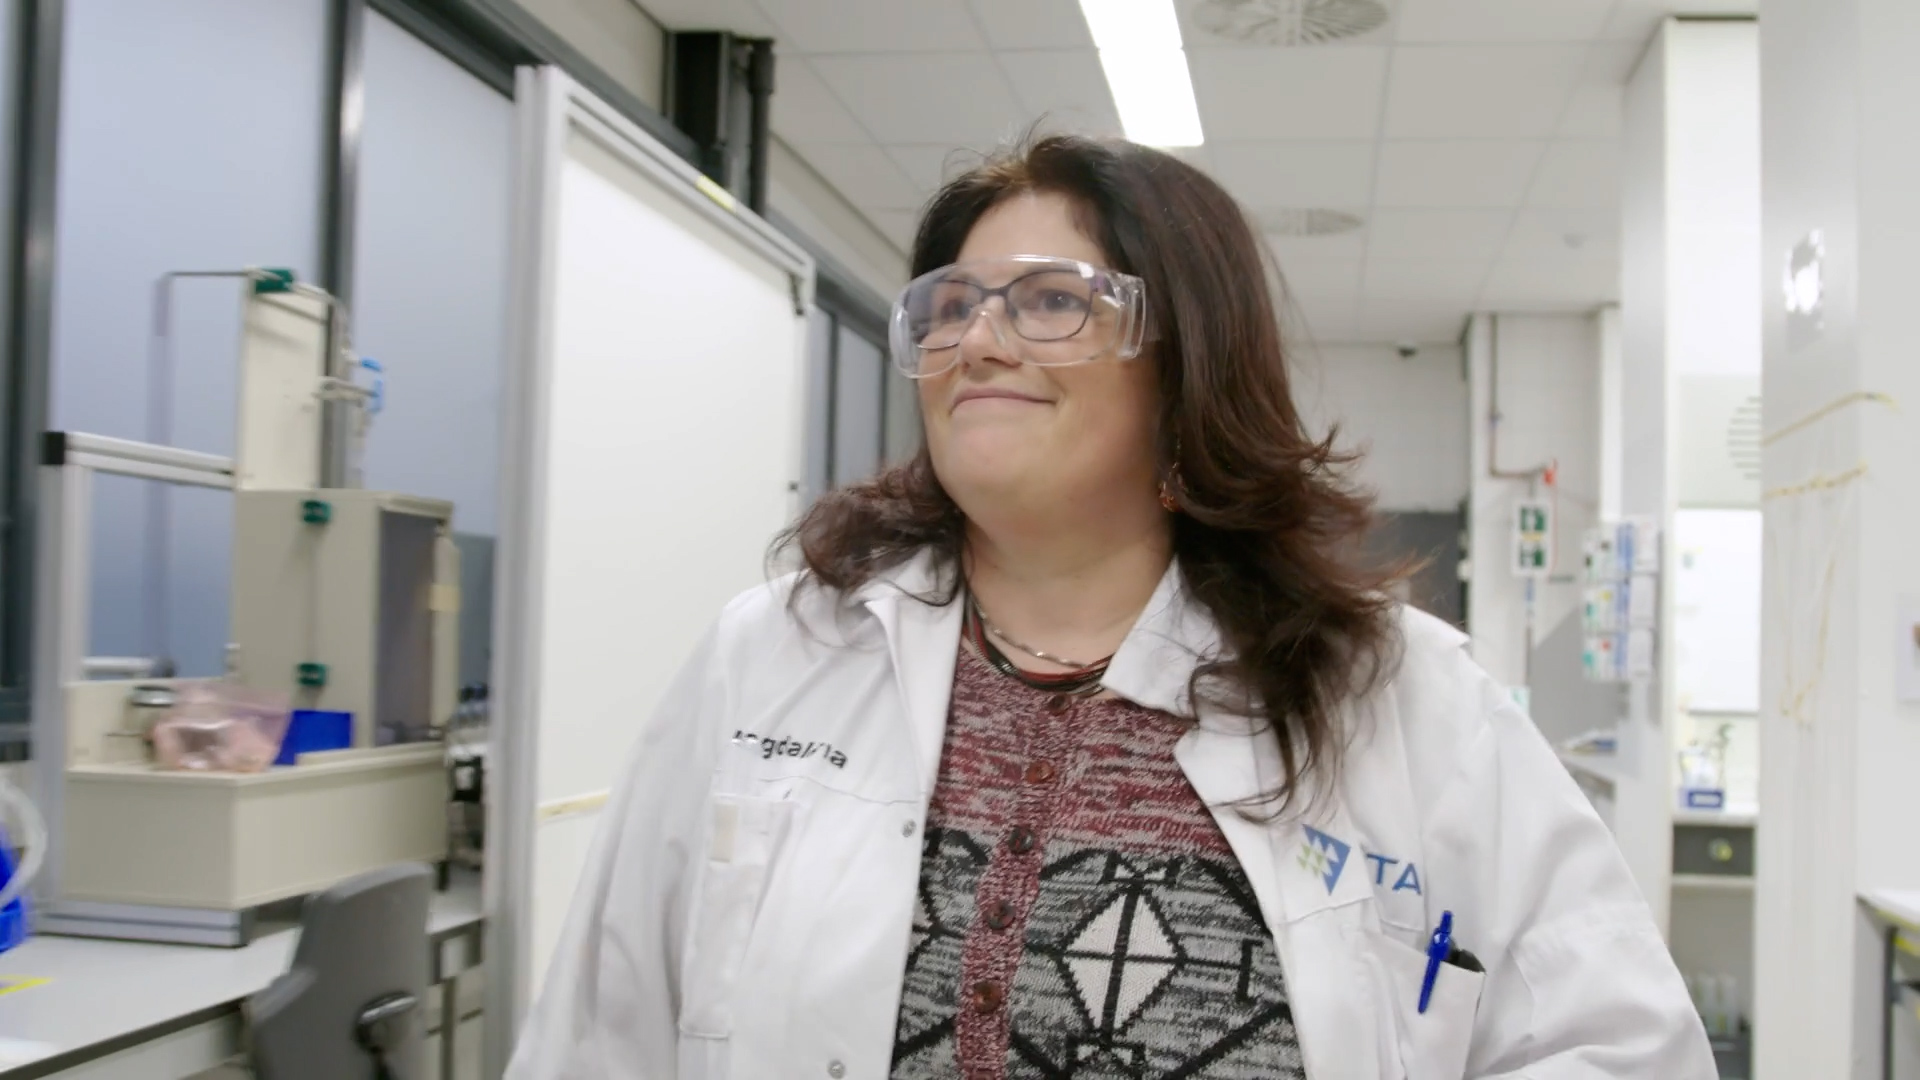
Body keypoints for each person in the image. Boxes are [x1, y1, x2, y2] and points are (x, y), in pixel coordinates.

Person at [507, 134, 1715, 1080]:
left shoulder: (1400, 699)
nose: (977, 338)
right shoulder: (772, 655)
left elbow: (1616, 1048)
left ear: (1188, 358)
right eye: (952, 305)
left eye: (1046, 302)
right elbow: (599, 1038)